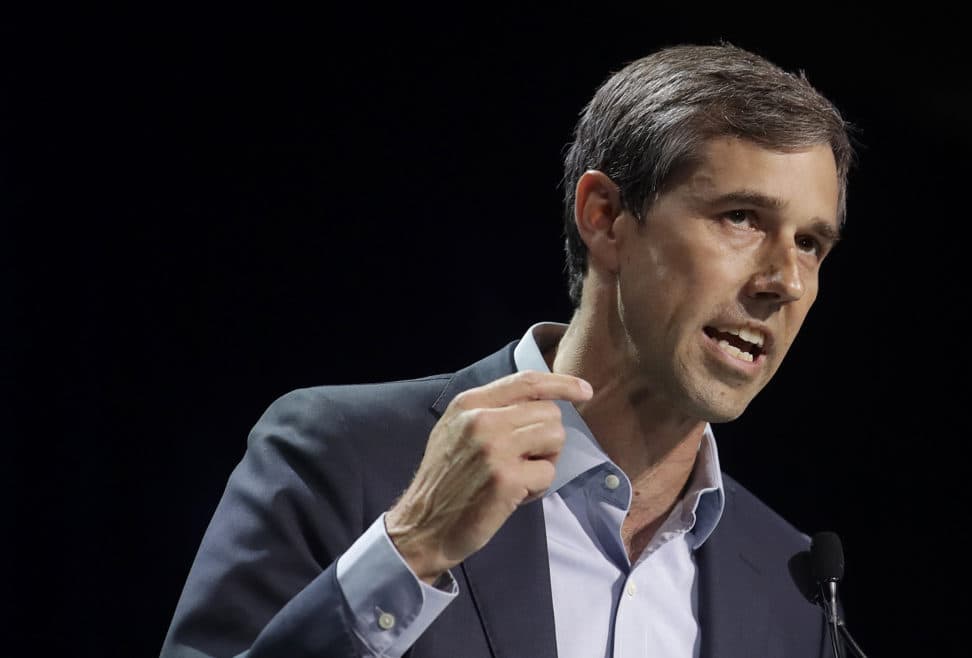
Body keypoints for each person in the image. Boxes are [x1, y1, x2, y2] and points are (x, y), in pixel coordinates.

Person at [161, 42, 855, 658]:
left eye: (810, 244)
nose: (785, 282)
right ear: (606, 218)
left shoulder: (794, 586)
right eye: (742, 218)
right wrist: (413, 546)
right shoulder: (348, 458)